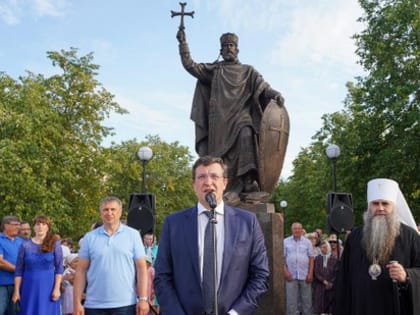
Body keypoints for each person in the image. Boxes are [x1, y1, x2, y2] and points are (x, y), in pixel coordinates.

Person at [176, 28, 285, 196]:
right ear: (221, 50)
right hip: (219, 125)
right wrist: (183, 44)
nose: (228, 48)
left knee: (246, 133)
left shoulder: (248, 71)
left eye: (232, 45)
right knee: (220, 160)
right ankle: (225, 185)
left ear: (237, 49)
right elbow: (190, 66)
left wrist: (275, 94)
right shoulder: (214, 70)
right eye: (225, 46)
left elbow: (264, 89)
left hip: (242, 118)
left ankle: (247, 181)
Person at [154, 156, 269, 315]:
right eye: (201, 177)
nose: (208, 182)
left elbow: (260, 275)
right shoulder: (173, 224)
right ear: (194, 185)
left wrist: (236, 313)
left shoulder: (247, 222)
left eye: (214, 176)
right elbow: (162, 276)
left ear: (225, 183)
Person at [334, 178, 420, 315]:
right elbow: (344, 279)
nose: (380, 208)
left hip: (396, 307)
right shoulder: (355, 237)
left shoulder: (411, 237)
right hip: (361, 307)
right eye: (375, 203)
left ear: (393, 206)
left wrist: (406, 276)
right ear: (369, 206)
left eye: (385, 203)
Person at [73, 196, 149, 315]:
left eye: (113, 209)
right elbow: (81, 271)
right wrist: (77, 302)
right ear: (101, 213)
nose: (109, 213)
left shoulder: (133, 235)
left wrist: (144, 299)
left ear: (120, 212)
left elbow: (142, 268)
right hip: (94, 304)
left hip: (125, 303)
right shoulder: (89, 237)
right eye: (105, 210)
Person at [12, 215, 63, 314]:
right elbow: (19, 270)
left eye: (44, 224)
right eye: (38, 224)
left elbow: (59, 268)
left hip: (48, 286)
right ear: (34, 227)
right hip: (29, 286)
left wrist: (57, 288)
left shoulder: (55, 244)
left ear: (48, 227)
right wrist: (17, 291)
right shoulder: (25, 245)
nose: (40, 227)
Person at [284, 222, 315, 315]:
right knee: (291, 302)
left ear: (302, 230)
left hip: (305, 275)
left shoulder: (307, 242)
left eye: (299, 229)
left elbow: (311, 258)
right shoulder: (285, 241)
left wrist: (310, 273)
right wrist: (285, 272)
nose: (297, 230)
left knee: (307, 301)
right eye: (295, 228)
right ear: (291, 230)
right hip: (290, 275)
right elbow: (282, 258)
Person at [0, 215, 23, 315]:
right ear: (6, 225)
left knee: (14, 312)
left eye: (19, 225)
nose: (18, 227)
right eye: (15, 225)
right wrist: (17, 270)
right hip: (2, 284)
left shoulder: (21, 241)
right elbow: (0, 262)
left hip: (18, 285)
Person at [313, 240, 338, 315]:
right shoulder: (317, 258)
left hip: (331, 285)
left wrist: (331, 282)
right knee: (320, 304)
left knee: (330, 303)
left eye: (325, 247)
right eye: (322, 247)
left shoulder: (334, 259)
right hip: (320, 284)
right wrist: (324, 281)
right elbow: (316, 272)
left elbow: (336, 272)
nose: (324, 249)